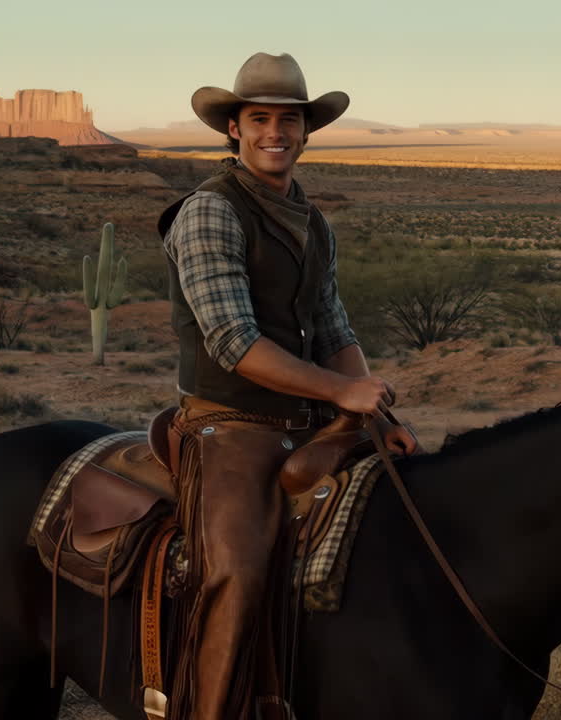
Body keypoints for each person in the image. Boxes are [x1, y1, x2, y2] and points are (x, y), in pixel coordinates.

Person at [158, 51, 419, 720]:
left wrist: (376, 408)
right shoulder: (210, 212)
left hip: (309, 419)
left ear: (306, 132)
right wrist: (340, 395)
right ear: (235, 130)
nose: (276, 132)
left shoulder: (311, 221)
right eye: (260, 119)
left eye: (289, 120)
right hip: (230, 423)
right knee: (239, 570)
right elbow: (235, 344)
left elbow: (334, 329)